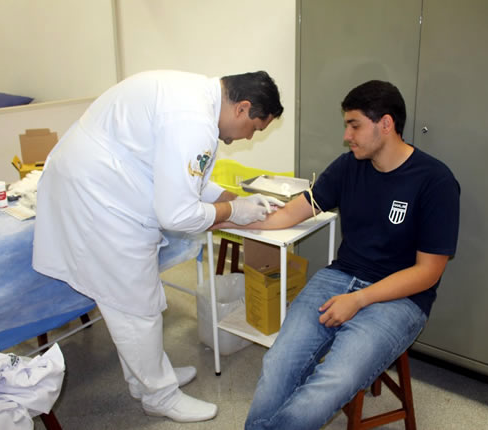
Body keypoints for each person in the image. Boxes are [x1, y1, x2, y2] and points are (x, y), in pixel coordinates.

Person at [32, 70, 285, 423]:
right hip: (97, 200)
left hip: (103, 183)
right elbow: (177, 214)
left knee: (136, 303)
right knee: (136, 306)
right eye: (254, 128)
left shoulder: (198, 101)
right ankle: (158, 395)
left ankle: (147, 378)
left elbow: (191, 182)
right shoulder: (193, 120)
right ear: (242, 108)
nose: (248, 137)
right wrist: (234, 211)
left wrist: (234, 199)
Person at [218, 80, 460, 429]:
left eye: (354, 125)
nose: (347, 136)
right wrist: (226, 217)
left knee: (330, 383)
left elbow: (428, 272)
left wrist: (359, 299)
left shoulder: (435, 181)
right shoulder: (349, 166)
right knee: (278, 364)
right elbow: (289, 214)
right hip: (340, 277)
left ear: (386, 124)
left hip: (401, 298)